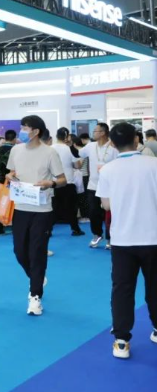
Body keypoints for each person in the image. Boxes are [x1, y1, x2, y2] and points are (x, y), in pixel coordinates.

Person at [96, 122, 157, 359]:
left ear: (112, 143)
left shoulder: (107, 170)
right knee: (155, 286)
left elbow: (106, 205)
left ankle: (121, 341)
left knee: (122, 289)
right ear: (136, 139)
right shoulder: (154, 164)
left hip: (122, 240)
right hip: (153, 238)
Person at [6, 115, 67, 316]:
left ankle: (35, 296)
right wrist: (9, 176)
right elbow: (11, 172)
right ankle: (37, 277)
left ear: (36, 131)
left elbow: (62, 180)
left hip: (42, 210)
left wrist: (51, 183)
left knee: (37, 252)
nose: (22, 131)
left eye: (25, 128)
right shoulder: (15, 150)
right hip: (21, 207)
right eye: (22, 127)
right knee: (19, 251)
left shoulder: (49, 152)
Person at [77, 123, 119, 249]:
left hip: (110, 186)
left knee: (110, 213)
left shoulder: (114, 147)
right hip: (93, 185)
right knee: (93, 212)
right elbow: (79, 153)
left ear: (103, 133)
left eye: (95, 130)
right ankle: (97, 234)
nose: (93, 133)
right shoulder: (90, 146)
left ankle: (111, 238)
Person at [52, 127, 84, 236]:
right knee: (71, 208)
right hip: (68, 181)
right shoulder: (69, 149)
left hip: (53, 182)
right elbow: (77, 166)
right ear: (67, 137)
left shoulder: (50, 149)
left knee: (53, 208)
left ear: (56, 136)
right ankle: (75, 229)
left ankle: (47, 230)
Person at [0, 130, 17, 235]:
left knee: (1, 202)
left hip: (1, 180)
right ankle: (14, 226)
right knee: (14, 204)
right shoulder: (15, 149)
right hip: (13, 179)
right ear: (14, 138)